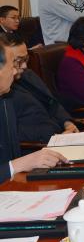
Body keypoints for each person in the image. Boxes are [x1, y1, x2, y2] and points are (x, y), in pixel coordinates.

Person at [0, 37, 68, 183]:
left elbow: (52, 102)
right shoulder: (7, 97)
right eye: (13, 65)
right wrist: (15, 165)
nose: (16, 71)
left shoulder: (4, 99)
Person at [5, 34, 84, 143]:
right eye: (19, 61)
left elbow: (52, 102)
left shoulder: (28, 74)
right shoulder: (3, 89)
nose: (24, 66)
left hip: (62, 135)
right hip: (38, 146)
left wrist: (67, 123)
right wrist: (55, 138)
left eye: (26, 59)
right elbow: (12, 132)